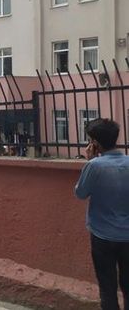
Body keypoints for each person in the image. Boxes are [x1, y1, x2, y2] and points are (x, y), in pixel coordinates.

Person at [75, 118, 129, 310]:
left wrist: (90, 161)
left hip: (102, 236)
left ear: (95, 143)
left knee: (107, 288)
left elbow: (81, 193)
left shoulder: (94, 166)